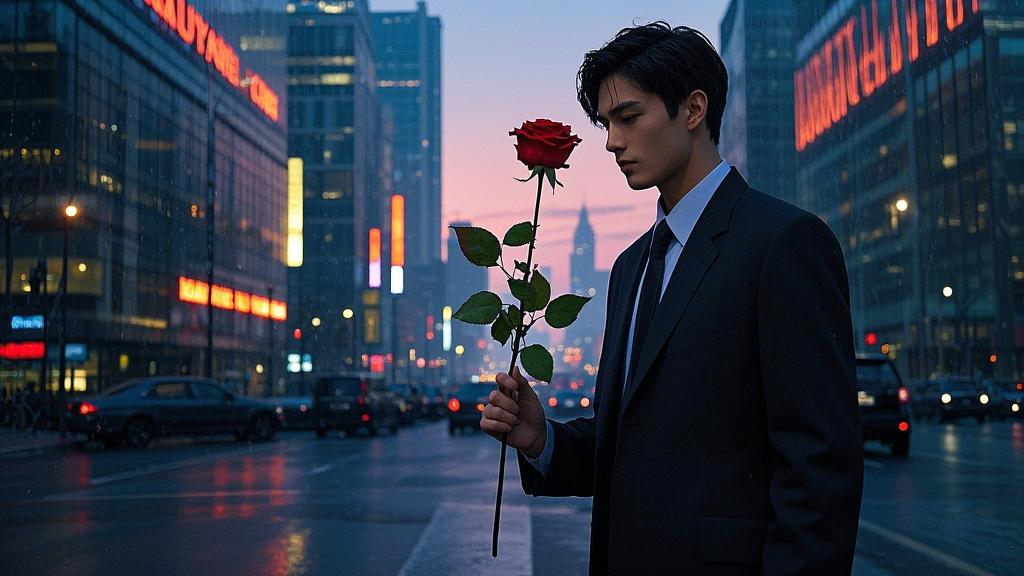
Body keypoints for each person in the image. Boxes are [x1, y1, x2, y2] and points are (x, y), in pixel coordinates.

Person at [482, 22, 863, 575]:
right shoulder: (630, 267)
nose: (612, 140)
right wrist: (543, 441)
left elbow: (819, 468)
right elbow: (632, 442)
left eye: (629, 117)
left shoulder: (783, 244)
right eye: (606, 123)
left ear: (693, 109)